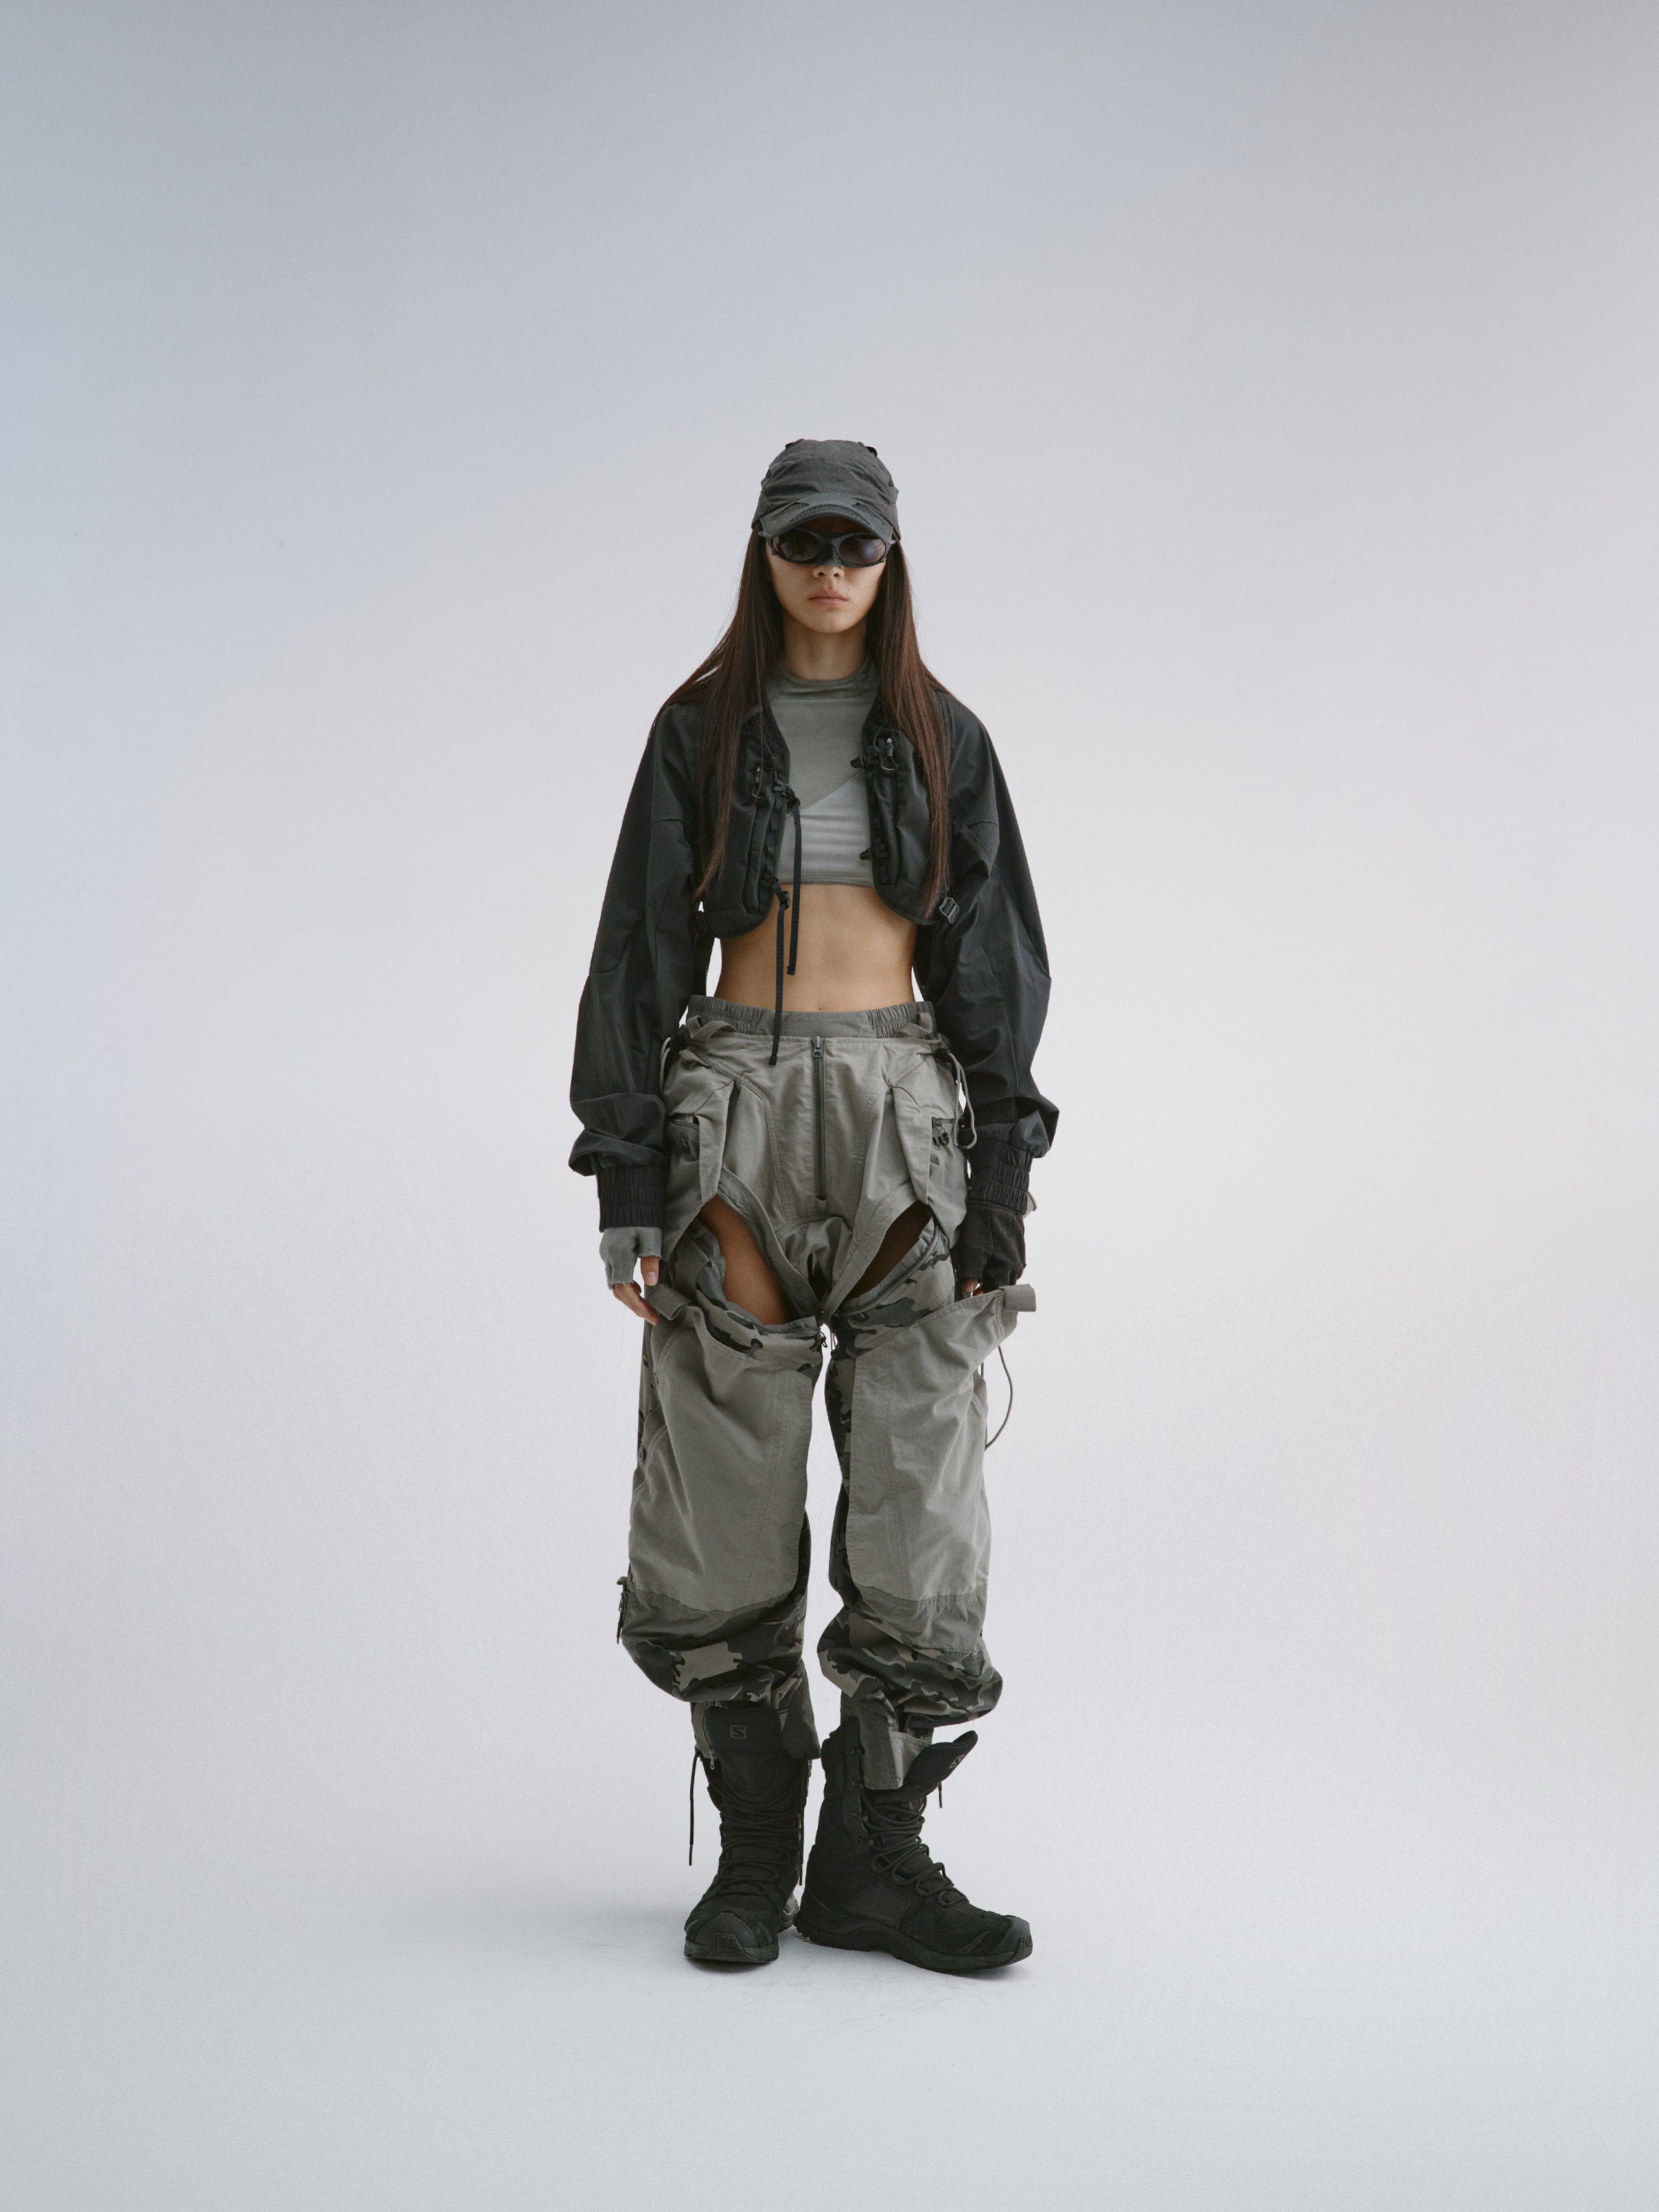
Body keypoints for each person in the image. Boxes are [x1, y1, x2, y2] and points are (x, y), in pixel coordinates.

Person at [568, 439, 1056, 1974]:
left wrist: (1001, 1177)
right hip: (734, 1107)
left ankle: (868, 1860)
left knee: (921, 1492)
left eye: (855, 542)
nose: (830, 567)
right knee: (721, 1487)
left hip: (902, 1114)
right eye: (805, 541)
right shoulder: (699, 730)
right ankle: (756, 1850)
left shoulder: (944, 735)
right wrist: (626, 1176)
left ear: (890, 556)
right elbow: (638, 948)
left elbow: (992, 956)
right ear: (765, 552)